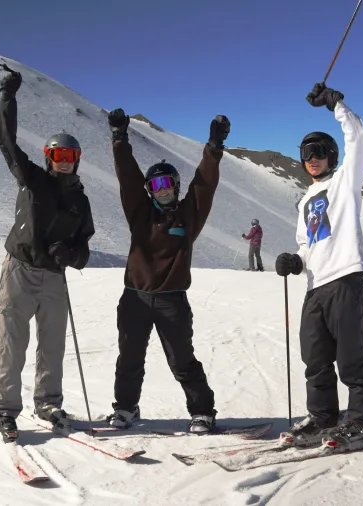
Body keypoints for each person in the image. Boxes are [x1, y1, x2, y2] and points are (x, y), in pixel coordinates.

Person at [104, 108, 230, 434]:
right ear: (150, 189)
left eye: (167, 183)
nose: (161, 190)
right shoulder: (139, 213)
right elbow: (128, 177)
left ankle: (202, 411)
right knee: (129, 358)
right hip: (134, 297)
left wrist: (213, 148)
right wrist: (119, 139)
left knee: (182, 360)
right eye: (155, 184)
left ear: (175, 186)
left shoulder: (188, 217)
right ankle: (125, 408)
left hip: (172, 301)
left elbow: (204, 186)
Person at [274, 83, 363, 449]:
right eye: (306, 152)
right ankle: (323, 418)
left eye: (319, 151)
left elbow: (360, 139)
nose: (312, 158)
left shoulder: (344, 182)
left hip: (345, 279)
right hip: (315, 286)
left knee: (351, 358)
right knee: (316, 360)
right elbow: (308, 243)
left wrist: (337, 106)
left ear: (332, 155)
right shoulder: (306, 199)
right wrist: (296, 259)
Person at [0, 69, 95, 443]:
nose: (63, 161)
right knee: (12, 341)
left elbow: (85, 246)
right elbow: (5, 141)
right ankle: (5, 408)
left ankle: (48, 402)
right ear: (48, 157)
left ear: (77, 159)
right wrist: (8, 98)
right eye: (57, 154)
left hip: (54, 277)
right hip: (19, 270)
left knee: (52, 343)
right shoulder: (33, 179)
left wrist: (72, 254)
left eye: (70, 155)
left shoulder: (80, 200)